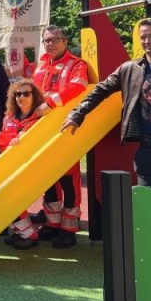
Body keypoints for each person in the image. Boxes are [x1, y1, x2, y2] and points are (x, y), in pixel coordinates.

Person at [62, 18, 151, 188]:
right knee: (146, 203)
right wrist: (77, 114)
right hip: (147, 148)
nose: (147, 41)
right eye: (143, 37)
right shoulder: (129, 69)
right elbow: (100, 90)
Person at [30, 25, 90, 246]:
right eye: (47, 40)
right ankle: (53, 223)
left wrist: (50, 103)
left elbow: (78, 86)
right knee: (48, 178)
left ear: (65, 41)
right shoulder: (42, 65)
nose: (51, 44)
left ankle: (69, 228)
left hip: (66, 131)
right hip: (42, 131)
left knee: (68, 179)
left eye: (56, 39)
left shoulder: (77, 64)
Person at [0, 80, 50, 249]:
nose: (21, 97)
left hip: (31, 168)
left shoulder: (41, 118)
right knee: (4, 199)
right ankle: (20, 231)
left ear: (34, 96)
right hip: (12, 167)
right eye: (18, 94)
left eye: (26, 93)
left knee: (12, 199)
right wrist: (10, 141)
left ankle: (30, 235)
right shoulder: (9, 118)